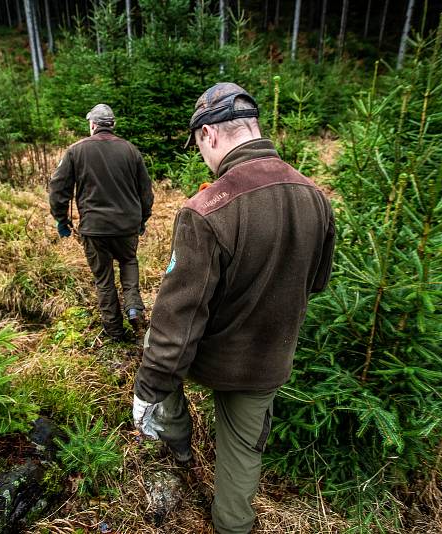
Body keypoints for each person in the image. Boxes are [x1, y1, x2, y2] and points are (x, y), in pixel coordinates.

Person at [132, 83, 336, 533]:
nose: (202, 157)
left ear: (208, 134)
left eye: (198, 146)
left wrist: (147, 390)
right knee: (242, 457)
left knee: (157, 347)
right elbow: (316, 283)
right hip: (267, 360)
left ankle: (177, 443)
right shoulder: (315, 196)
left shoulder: (206, 209)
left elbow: (177, 319)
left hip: (212, 357)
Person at [49, 103, 154, 341]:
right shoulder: (130, 150)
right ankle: (134, 307)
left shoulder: (75, 151)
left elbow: (58, 188)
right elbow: (145, 191)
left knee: (104, 279)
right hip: (127, 226)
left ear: (93, 125)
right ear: (113, 125)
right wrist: (142, 219)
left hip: (94, 229)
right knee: (128, 261)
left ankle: (115, 332)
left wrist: (61, 220)